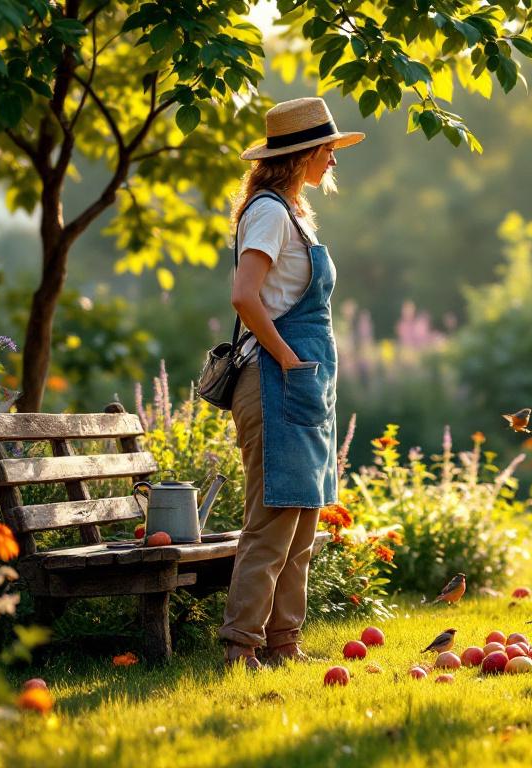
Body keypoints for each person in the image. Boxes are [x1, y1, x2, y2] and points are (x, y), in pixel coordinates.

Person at [217, 97, 364, 668]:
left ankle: (284, 644)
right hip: (275, 380)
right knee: (273, 522)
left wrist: (306, 370)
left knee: (303, 520)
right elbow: (243, 295)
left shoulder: (296, 213)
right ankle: (239, 647)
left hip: (303, 383)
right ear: (302, 152)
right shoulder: (270, 213)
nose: (332, 160)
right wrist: (287, 359)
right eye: (327, 150)